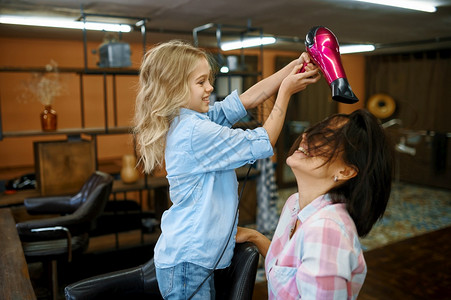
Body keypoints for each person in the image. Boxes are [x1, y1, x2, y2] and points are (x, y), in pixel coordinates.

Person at [133, 40, 320, 299]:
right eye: (201, 82)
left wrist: (292, 68)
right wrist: (286, 93)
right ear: (175, 88)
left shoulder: (193, 118)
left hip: (192, 258)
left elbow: (248, 99)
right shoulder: (194, 131)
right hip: (189, 262)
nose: (210, 87)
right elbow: (264, 140)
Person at [237, 109, 394, 299]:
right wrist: (254, 237)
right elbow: (288, 271)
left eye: (326, 138)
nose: (306, 136)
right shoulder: (294, 204)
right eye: (315, 131)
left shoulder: (326, 231)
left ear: (345, 171)